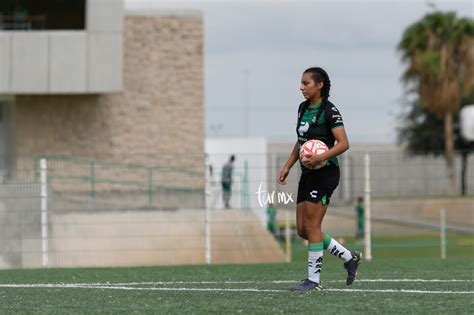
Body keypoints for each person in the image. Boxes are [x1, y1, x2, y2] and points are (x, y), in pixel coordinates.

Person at [277, 67, 361, 291]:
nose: (301, 87)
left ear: (320, 85)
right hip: (307, 173)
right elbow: (301, 141)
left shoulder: (329, 111)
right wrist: (287, 165)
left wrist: (321, 157)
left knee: (313, 226)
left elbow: (344, 143)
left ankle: (313, 281)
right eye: (301, 83)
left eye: (306, 83)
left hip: (325, 173)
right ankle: (349, 257)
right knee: (303, 230)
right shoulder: (303, 108)